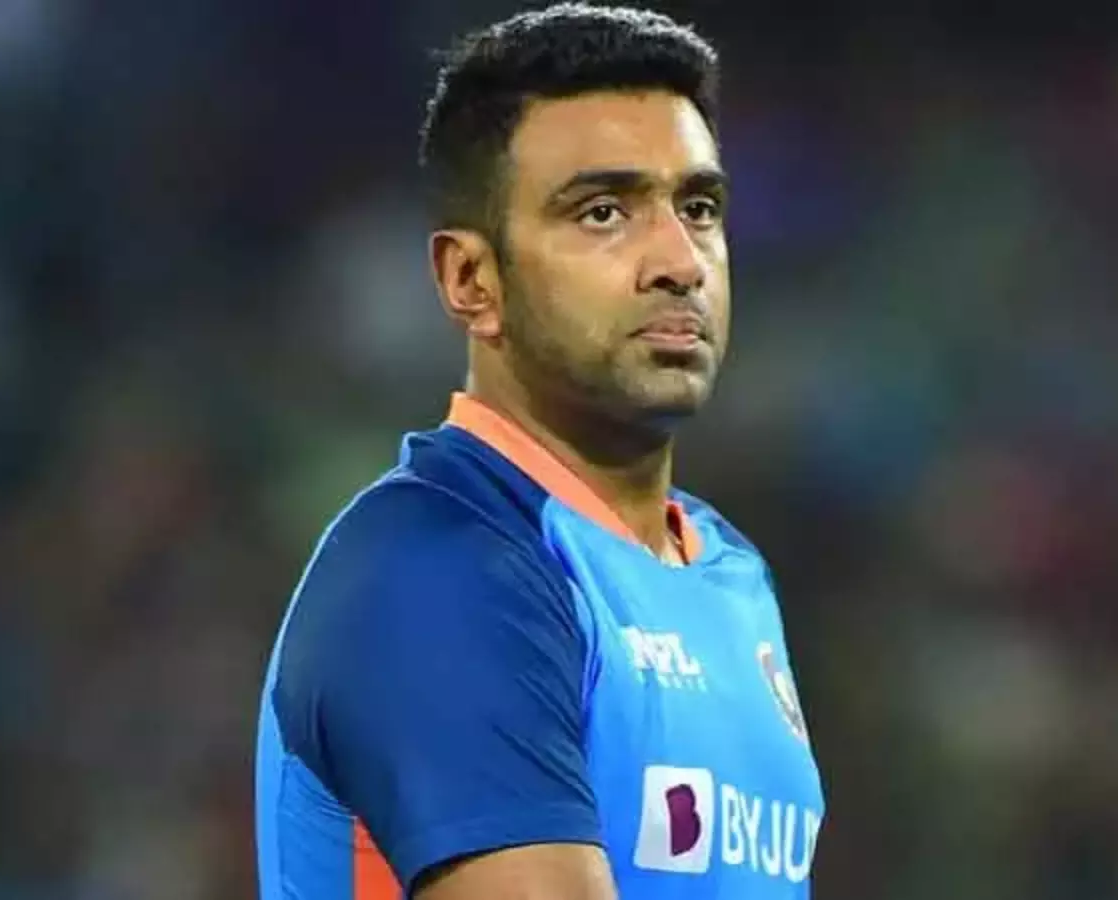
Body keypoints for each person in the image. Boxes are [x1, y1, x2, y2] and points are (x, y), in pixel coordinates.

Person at [253, 4, 825, 898]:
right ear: (471, 281)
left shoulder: (730, 576)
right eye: (603, 212)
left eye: (698, 207)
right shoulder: (435, 567)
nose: (678, 260)